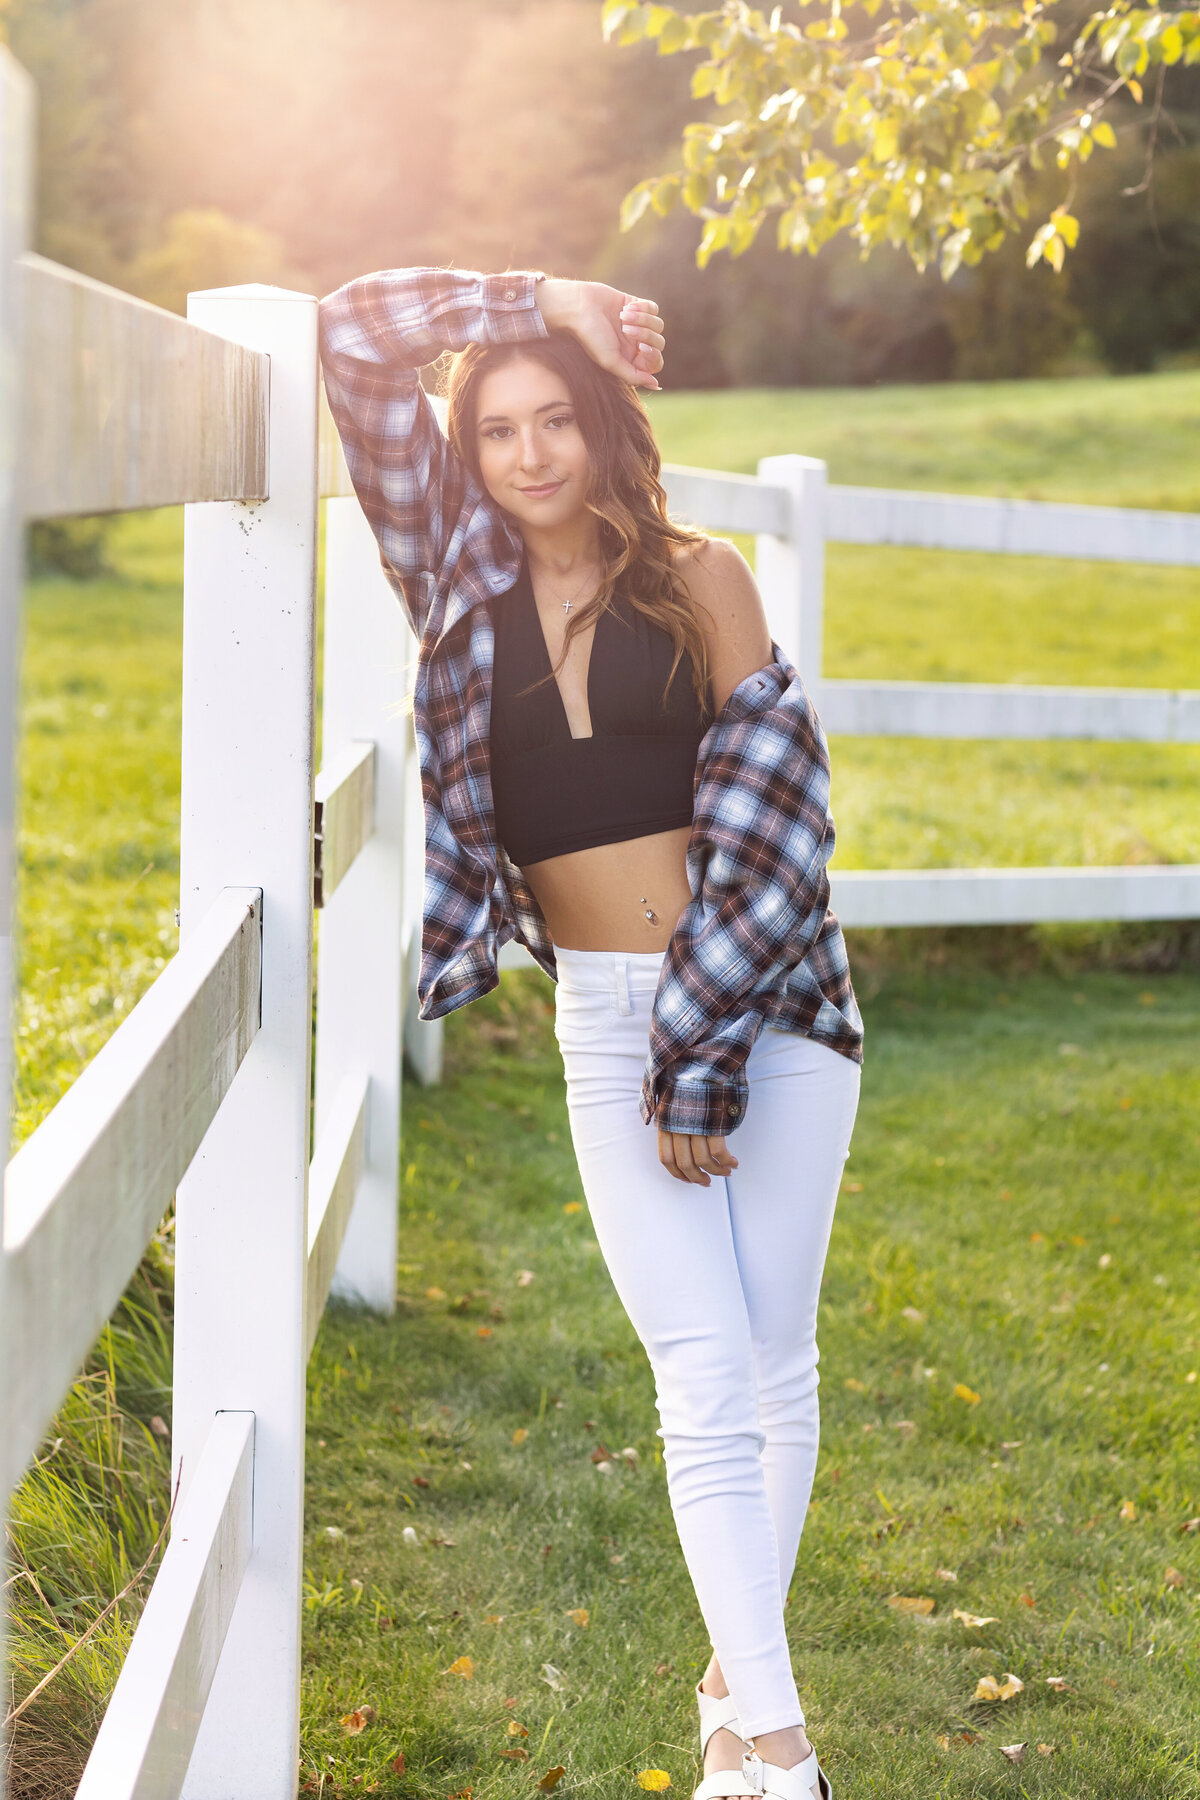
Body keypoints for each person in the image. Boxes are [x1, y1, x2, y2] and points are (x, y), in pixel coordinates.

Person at [318, 267, 863, 1800]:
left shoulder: (705, 577)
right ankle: (777, 1742)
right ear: (467, 451)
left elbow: (779, 829)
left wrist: (704, 1045)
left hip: (772, 1003)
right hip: (604, 1019)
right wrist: (535, 292)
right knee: (701, 1366)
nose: (534, 451)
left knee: (771, 1360)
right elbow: (353, 333)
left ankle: (745, 1727)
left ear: (606, 426)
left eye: (560, 415)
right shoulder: (451, 579)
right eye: (499, 427)